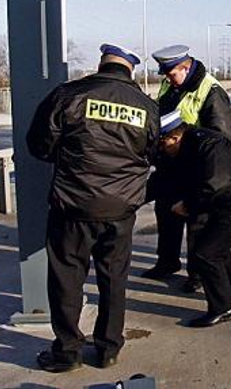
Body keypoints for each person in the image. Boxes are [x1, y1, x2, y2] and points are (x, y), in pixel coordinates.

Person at [27, 44, 159, 373]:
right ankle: (108, 349)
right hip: (121, 210)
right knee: (114, 279)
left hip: (73, 206)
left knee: (66, 279)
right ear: (130, 70)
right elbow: (154, 154)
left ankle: (68, 352)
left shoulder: (68, 95)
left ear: (102, 65)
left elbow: (38, 145)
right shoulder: (146, 107)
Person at [158, 110, 231, 327]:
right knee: (216, 248)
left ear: (175, 137)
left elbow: (218, 184)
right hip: (225, 202)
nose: (161, 149)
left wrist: (188, 205)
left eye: (163, 144)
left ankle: (223, 308)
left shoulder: (210, 144)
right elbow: (165, 179)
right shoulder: (187, 146)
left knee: (206, 253)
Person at [142, 44, 231, 292]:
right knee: (166, 214)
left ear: (186, 67)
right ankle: (167, 262)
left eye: (172, 74)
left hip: (196, 169)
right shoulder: (170, 85)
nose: (168, 80)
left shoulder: (211, 91)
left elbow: (222, 138)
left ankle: (198, 274)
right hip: (170, 166)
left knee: (198, 222)